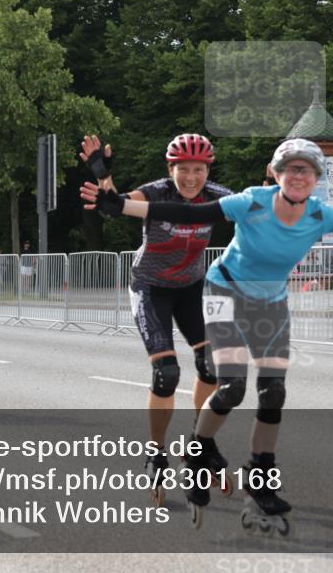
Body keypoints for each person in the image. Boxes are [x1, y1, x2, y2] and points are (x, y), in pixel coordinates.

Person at [82, 137, 333, 531]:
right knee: (230, 387)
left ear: (317, 179)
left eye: (307, 171)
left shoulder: (321, 215)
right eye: (290, 169)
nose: (298, 177)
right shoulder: (251, 201)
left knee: (273, 394)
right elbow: (182, 211)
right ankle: (195, 452)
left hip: (270, 302)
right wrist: (118, 202)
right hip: (223, 291)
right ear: (275, 174)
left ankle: (259, 479)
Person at [80, 133, 234, 507]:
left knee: (212, 366)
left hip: (191, 287)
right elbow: (114, 206)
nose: (191, 177)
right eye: (183, 169)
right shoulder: (156, 193)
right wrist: (103, 176)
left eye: (198, 169)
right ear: (171, 169)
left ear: (207, 170)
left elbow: (263, 210)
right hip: (150, 288)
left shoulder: (217, 195)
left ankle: (200, 444)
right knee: (167, 374)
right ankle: (156, 452)